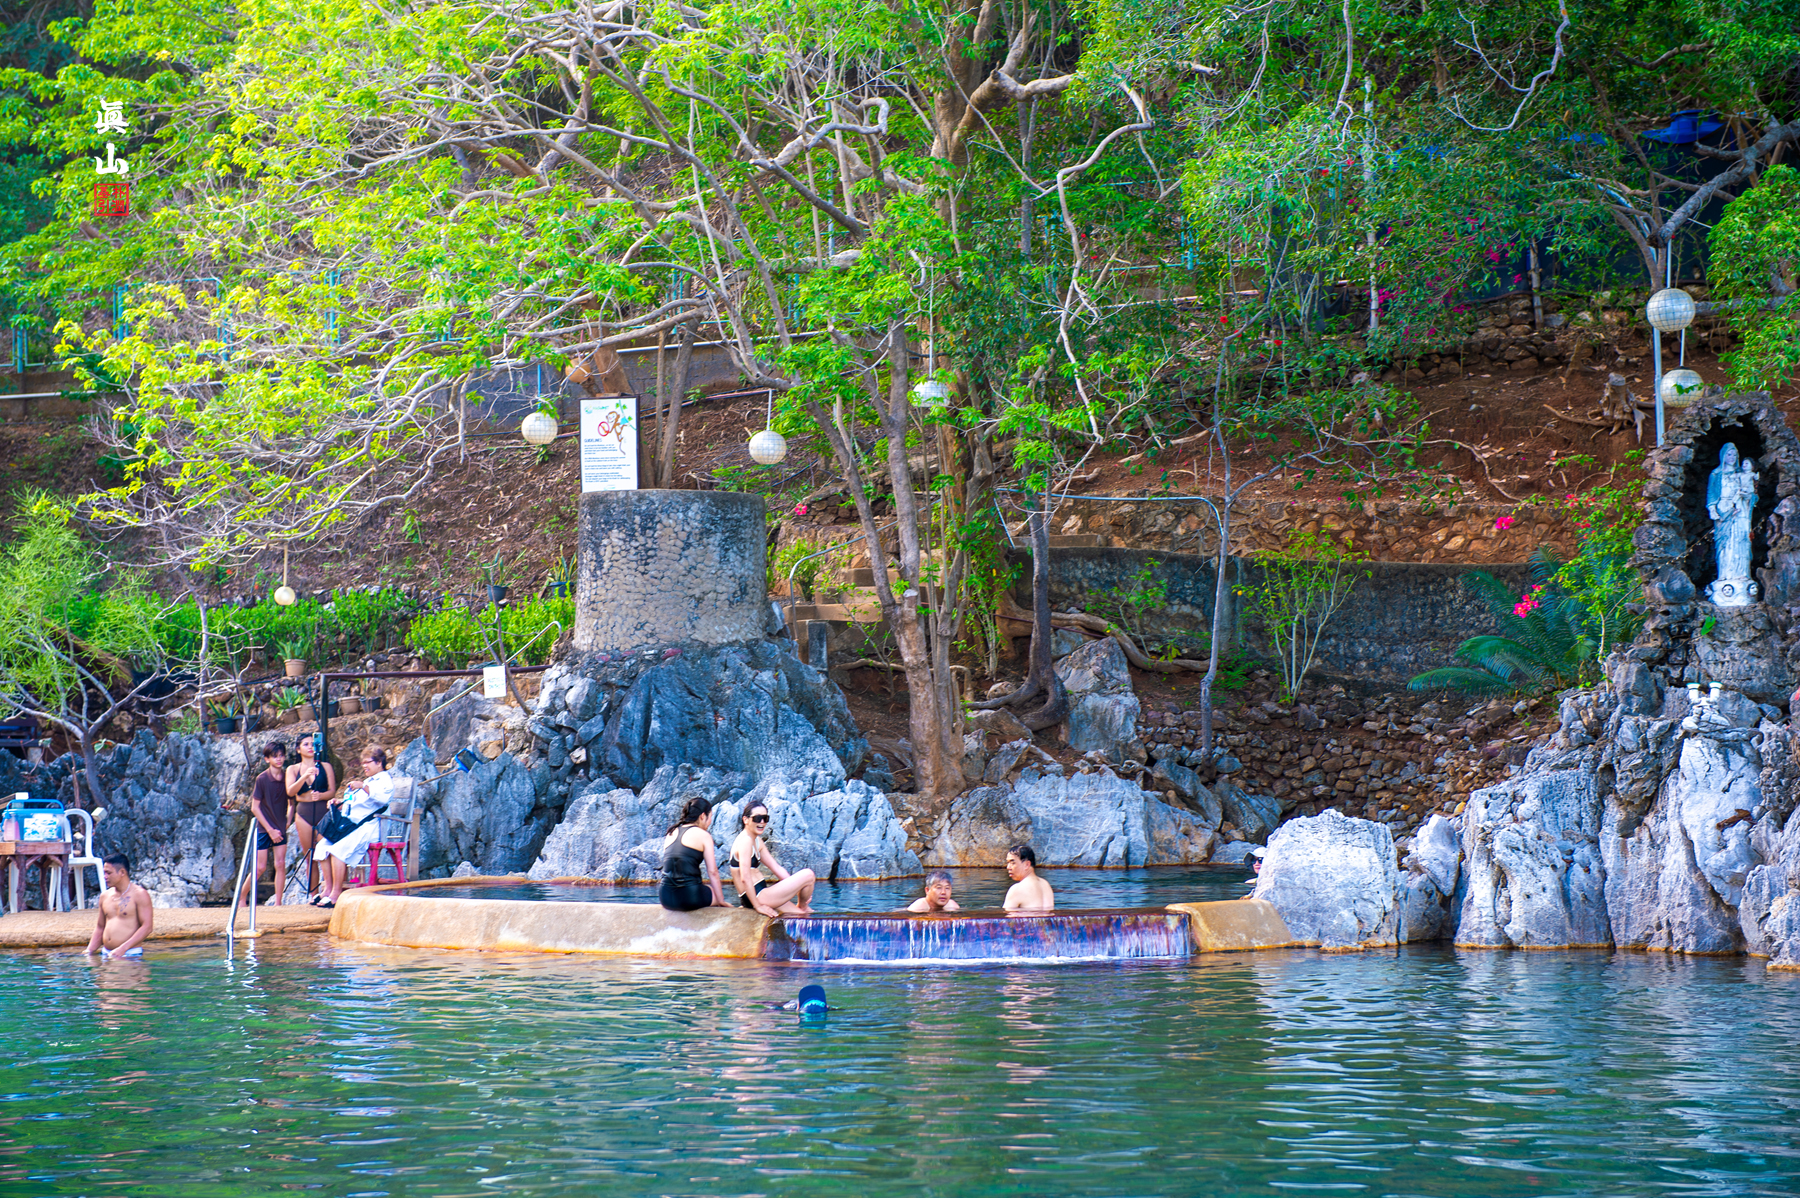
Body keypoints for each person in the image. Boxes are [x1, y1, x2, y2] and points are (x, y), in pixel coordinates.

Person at [310, 747, 394, 908]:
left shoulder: (384, 781)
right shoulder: (368, 781)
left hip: (370, 828)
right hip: (351, 827)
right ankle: (327, 889)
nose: (364, 766)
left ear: (379, 763)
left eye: (367, 762)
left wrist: (363, 786)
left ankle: (336, 893)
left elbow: (383, 799)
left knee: (338, 850)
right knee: (322, 846)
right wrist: (338, 803)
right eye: (363, 763)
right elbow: (352, 804)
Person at [729, 800, 817, 916]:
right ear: (745, 820)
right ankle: (803, 906)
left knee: (800, 915)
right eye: (757, 818)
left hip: (762, 894)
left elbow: (776, 868)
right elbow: (745, 878)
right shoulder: (745, 841)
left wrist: (797, 888)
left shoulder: (756, 840)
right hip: (756, 896)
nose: (762, 822)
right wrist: (757, 906)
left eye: (765, 818)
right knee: (808, 875)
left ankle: (802, 908)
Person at [238, 741, 292, 908]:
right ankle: (241, 897)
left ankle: (278, 902)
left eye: (281, 756)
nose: (279, 759)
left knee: (280, 864)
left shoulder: (287, 777)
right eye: (275, 756)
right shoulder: (262, 779)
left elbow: (292, 803)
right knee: (260, 867)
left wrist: (287, 822)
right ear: (267, 759)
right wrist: (270, 829)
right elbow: (255, 807)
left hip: (280, 828)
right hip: (263, 828)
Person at [286, 732, 338, 897]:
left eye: (312, 744)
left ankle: (329, 891)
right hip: (304, 813)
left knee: (326, 852)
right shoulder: (293, 769)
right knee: (310, 856)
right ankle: (313, 894)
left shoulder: (325, 766)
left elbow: (332, 791)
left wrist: (321, 796)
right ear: (298, 749)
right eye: (306, 744)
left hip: (323, 811)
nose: (310, 747)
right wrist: (305, 776)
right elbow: (290, 791)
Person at [660, 796, 729, 911]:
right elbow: (713, 872)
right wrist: (721, 900)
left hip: (665, 897)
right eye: (710, 817)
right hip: (689, 898)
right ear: (703, 816)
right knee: (713, 892)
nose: (710, 822)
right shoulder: (704, 835)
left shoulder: (671, 833)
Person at [86, 853, 153, 958]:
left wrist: (122, 949)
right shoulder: (105, 896)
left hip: (130, 954)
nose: (105, 877)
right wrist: (89, 951)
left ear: (122, 872)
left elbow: (147, 927)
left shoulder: (139, 894)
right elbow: (100, 927)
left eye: (109, 873)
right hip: (106, 954)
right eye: (104, 873)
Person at [1002, 844, 1054, 911]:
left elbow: (1008, 916)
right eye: (1008, 863)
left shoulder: (1017, 889)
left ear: (1027, 864)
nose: (1008, 867)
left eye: (1013, 863)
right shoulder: (1045, 884)